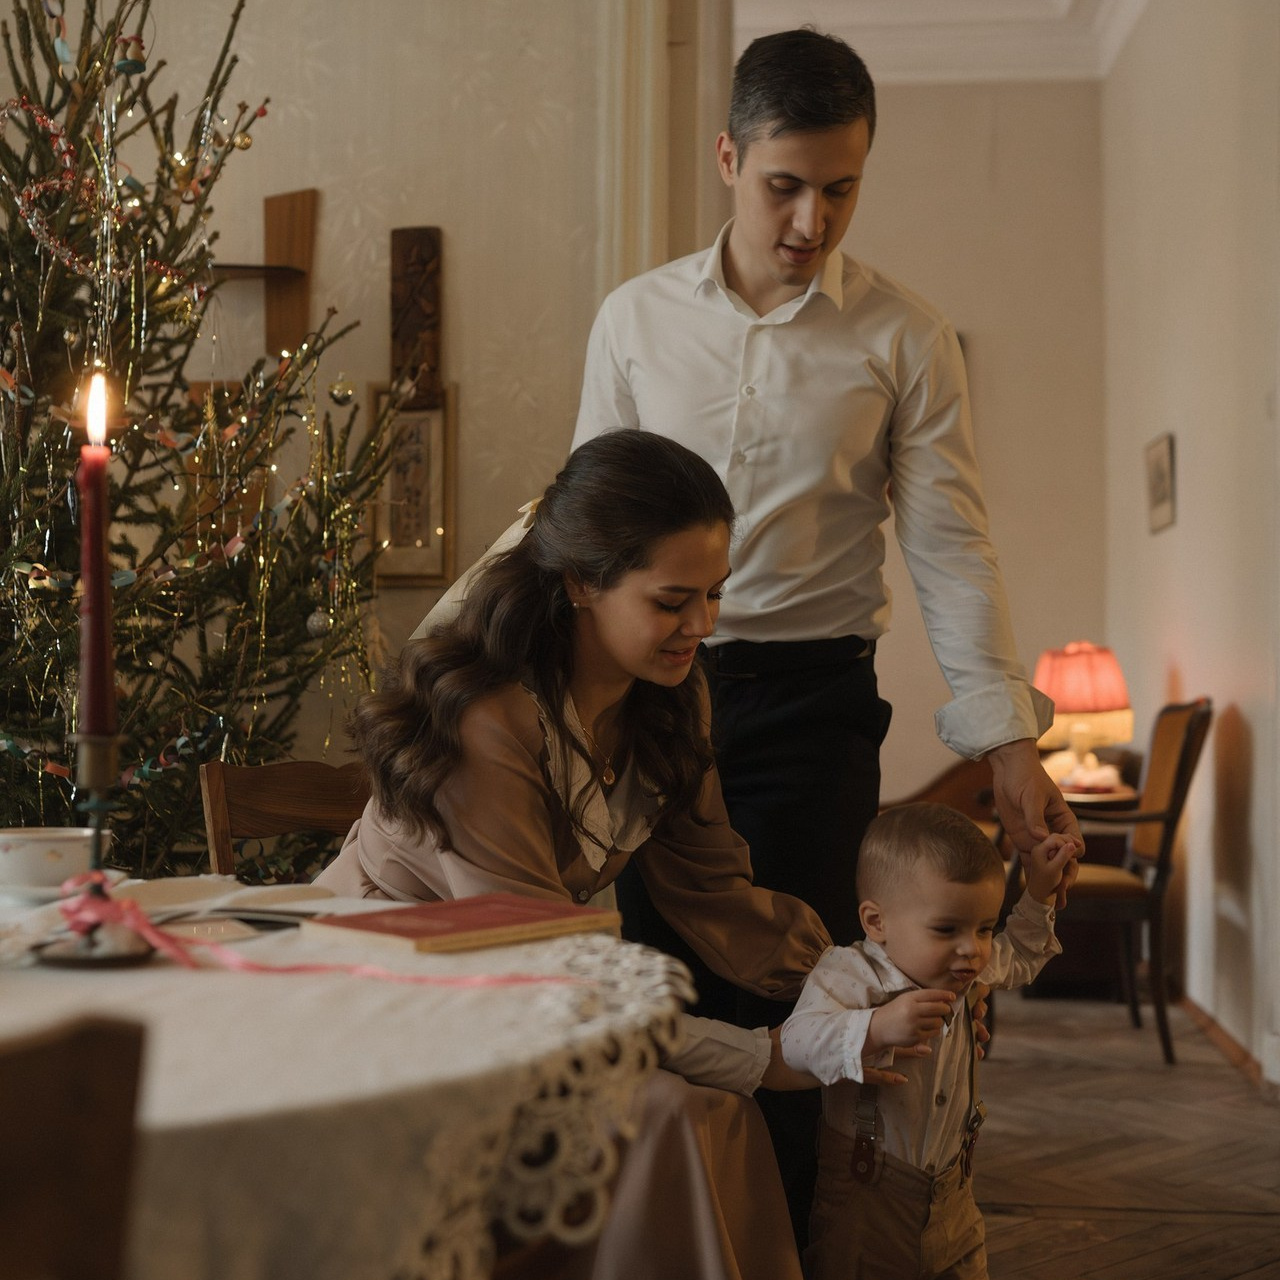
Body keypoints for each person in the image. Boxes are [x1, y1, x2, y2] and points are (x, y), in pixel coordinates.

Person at [569, 26, 1081, 1239]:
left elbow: (949, 547)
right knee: (651, 988)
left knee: (808, 998)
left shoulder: (906, 337)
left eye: (839, 189)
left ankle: (798, 1253)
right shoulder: (633, 321)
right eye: (782, 185)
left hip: (811, 705)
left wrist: (1009, 743)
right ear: (726, 158)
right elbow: (585, 529)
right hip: (646, 699)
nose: (810, 220)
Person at [317, 430, 833, 1280]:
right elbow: (549, 973)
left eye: (714, 595)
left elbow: (713, 891)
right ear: (581, 583)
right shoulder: (487, 721)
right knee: (673, 1112)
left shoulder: (671, 698)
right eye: (672, 601)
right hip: (397, 999)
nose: (703, 626)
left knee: (705, 1111)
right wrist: (762, 1058)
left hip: (523, 986)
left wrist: (856, 984)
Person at [780, 803, 1077, 1280]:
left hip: (955, 1198)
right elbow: (794, 1044)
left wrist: (1039, 891)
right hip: (865, 1205)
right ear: (877, 923)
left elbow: (1020, 952)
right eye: (947, 929)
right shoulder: (852, 974)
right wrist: (876, 1028)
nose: (973, 949)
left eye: (984, 928)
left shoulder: (966, 974)